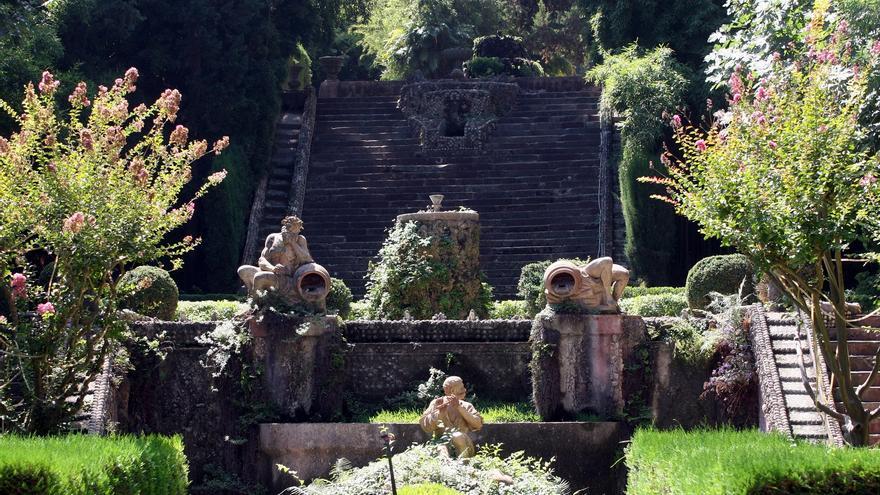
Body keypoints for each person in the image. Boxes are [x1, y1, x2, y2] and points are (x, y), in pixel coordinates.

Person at [238, 215, 314, 296]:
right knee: (243, 270)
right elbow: (262, 259)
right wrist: (272, 268)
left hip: (287, 277)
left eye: (296, 231)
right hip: (271, 270)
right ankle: (252, 293)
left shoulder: (300, 239)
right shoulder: (273, 237)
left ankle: (257, 301)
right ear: (285, 227)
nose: (294, 232)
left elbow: (307, 259)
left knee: (259, 277)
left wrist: (293, 243)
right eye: (290, 227)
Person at [419, 376, 484, 458]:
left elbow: (478, 424)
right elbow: (425, 426)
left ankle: (463, 465)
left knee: (458, 436)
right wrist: (438, 414)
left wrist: (459, 408)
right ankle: (447, 469)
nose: (464, 390)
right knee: (441, 449)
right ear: (452, 391)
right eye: (461, 388)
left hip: (464, 445)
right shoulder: (437, 403)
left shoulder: (466, 406)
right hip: (442, 443)